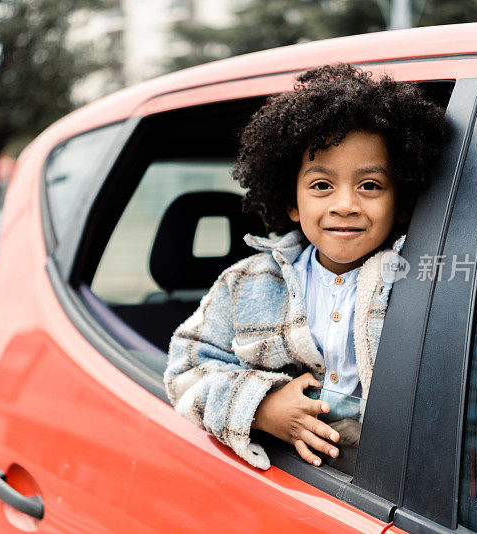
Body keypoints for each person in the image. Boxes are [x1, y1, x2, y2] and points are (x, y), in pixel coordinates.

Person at [164, 63, 447, 470]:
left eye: (370, 185)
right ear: (292, 202)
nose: (345, 204)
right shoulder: (246, 284)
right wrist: (261, 407)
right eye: (321, 186)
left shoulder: (420, 280)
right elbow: (186, 371)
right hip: (280, 481)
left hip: (381, 482)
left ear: (402, 202)